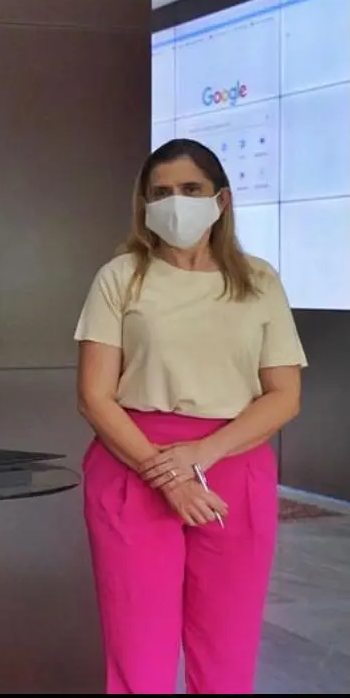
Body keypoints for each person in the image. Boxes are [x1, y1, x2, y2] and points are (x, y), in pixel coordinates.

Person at [74, 138, 306, 694]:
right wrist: (169, 476)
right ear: (144, 205)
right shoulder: (120, 277)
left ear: (221, 200)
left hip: (233, 465)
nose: (174, 203)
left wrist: (201, 456)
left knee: (227, 648)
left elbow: (284, 395)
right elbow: (94, 396)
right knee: (139, 651)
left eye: (190, 189)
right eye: (161, 193)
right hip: (135, 463)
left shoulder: (259, 281)